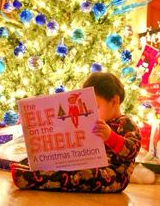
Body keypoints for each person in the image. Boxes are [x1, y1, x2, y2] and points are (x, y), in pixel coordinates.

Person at [11, 72, 141, 193]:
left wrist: (110, 137)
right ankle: (35, 172)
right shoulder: (94, 120)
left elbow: (132, 150)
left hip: (113, 176)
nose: (91, 112)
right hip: (89, 164)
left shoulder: (126, 123)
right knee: (67, 167)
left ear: (114, 101)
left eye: (96, 107)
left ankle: (32, 179)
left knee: (80, 175)